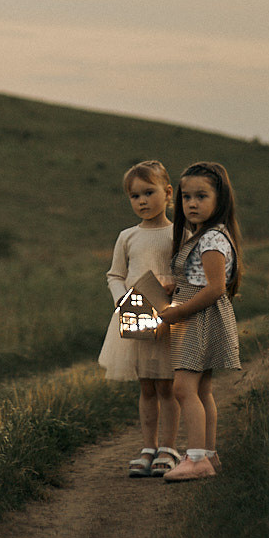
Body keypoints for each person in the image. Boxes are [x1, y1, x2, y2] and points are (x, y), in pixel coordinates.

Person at [156, 161, 242, 482]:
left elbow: (216, 287)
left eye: (201, 196)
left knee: (183, 388)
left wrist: (179, 311)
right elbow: (198, 279)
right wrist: (173, 287)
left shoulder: (212, 240)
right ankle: (208, 454)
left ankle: (194, 459)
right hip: (197, 314)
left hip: (198, 317)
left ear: (220, 199)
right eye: (186, 197)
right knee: (203, 389)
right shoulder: (205, 235)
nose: (191, 203)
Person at [98, 160, 182, 478]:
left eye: (149, 192)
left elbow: (186, 273)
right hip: (135, 313)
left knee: (167, 385)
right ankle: (149, 446)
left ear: (168, 193)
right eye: (135, 196)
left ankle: (169, 448)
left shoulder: (179, 232)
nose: (142, 201)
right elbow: (114, 275)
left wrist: (175, 290)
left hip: (169, 316)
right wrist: (123, 301)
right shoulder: (127, 237)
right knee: (146, 386)